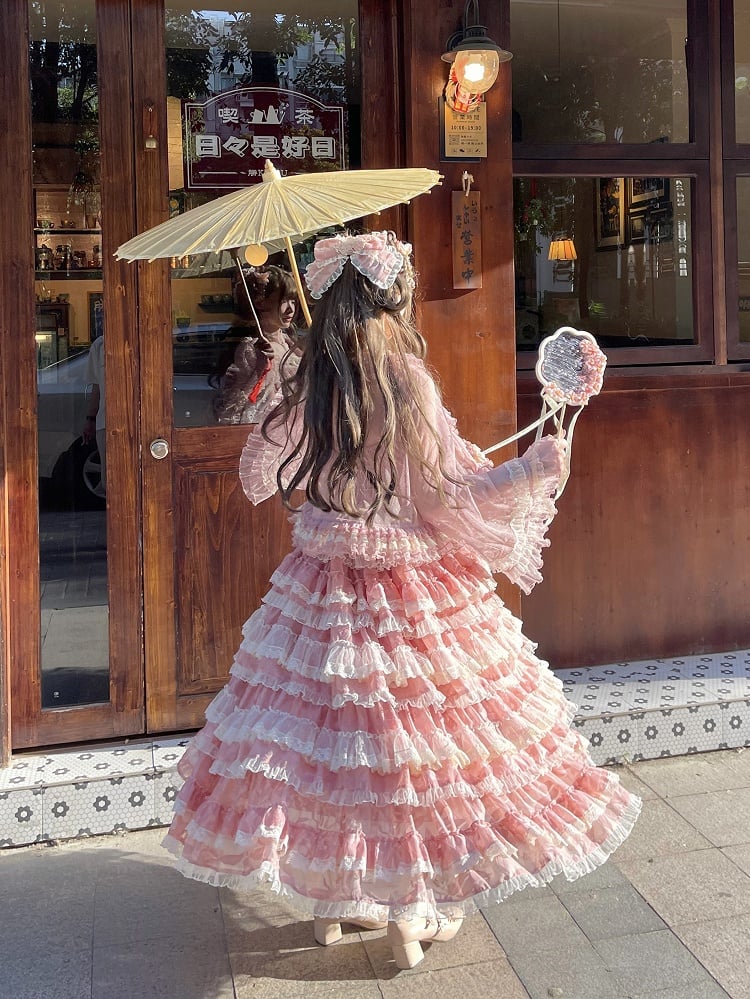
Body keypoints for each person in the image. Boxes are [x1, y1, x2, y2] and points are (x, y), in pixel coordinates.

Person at [164, 231, 641, 970]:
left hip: (319, 588)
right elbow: (444, 500)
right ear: (395, 297)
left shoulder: (309, 377)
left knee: (332, 748)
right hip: (409, 593)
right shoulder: (403, 379)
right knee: (409, 753)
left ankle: (341, 901)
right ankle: (409, 910)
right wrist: (533, 467)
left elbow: (265, 463)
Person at [212, 264, 300, 424]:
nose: (290, 309)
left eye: (293, 301)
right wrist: (260, 369)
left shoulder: (289, 343)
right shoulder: (251, 348)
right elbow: (236, 407)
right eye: (284, 301)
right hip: (269, 429)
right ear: (260, 303)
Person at [81, 332, 105, 492]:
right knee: (111, 478)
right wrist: (91, 419)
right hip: (107, 421)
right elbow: (96, 387)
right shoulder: (100, 345)